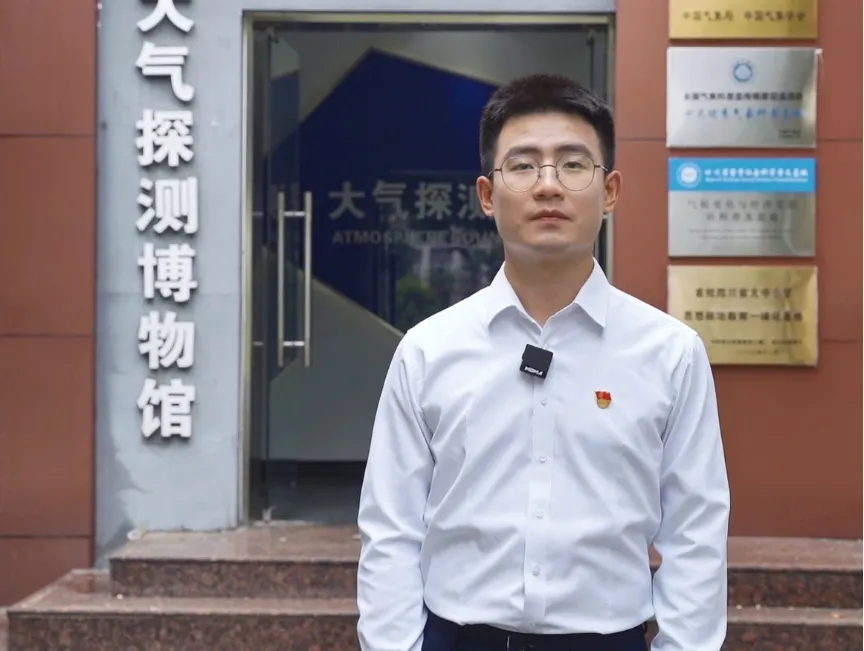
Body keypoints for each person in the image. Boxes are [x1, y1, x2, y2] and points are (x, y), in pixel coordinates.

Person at [357, 73, 730, 651]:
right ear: (487, 194)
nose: (548, 185)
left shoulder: (669, 353)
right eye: (524, 165)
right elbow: (391, 528)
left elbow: (696, 531)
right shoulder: (429, 350)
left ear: (610, 191)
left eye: (574, 165)